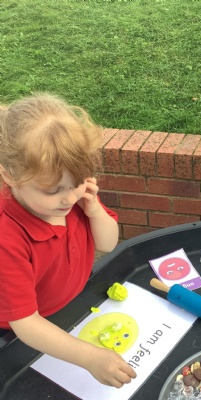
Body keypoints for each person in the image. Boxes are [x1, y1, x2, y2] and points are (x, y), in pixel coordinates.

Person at [0, 93, 136, 387]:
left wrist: (94, 210)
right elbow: (25, 322)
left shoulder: (77, 200)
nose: (69, 198)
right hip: (19, 332)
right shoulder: (6, 237)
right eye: (52, 191)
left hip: (70, 306)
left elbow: (108, 243)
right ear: (9, 176)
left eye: (77, 183)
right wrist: (89, 357)